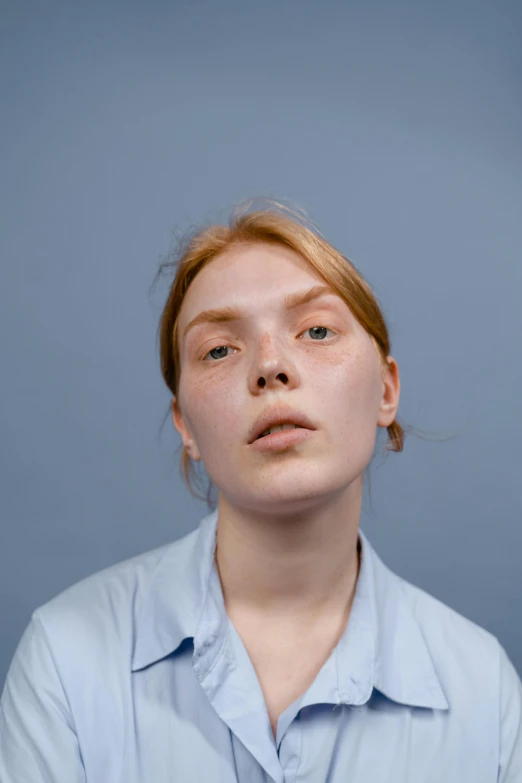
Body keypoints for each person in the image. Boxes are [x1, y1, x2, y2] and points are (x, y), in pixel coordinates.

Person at [1, 199, 521, 782]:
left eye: (317, 330)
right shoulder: (64, 658)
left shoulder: (485, 691)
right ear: (186, 427)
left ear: (386, 390)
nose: (270, 366)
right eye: (219, 349)